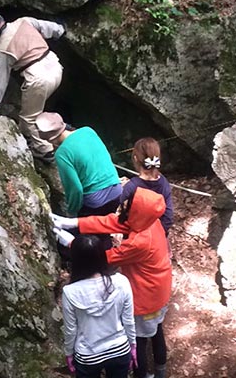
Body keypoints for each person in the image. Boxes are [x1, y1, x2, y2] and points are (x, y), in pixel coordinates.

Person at [55, 187, 172, 378]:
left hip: (146, 296)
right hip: (159, 290)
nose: (122, 209)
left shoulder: (140, 241)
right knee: (157, 331)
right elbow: (112, 222)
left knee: (140, 342)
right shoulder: (149, 221)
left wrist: (72, 244)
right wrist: (73, 222)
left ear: (136, 212)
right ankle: (161, 371)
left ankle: (144, 375)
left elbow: (103, 258)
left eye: (127, 207)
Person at [0, 10, 64, 163]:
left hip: (39, 79)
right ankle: (40, 134)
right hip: (55, 67)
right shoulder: (24, 21)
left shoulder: (2, 50)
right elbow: (48, 27)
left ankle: (44, 150)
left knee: (28, 118)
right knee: (35, 109)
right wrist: (60, 29)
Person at [38, 112, 121, 252]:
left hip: (95, 201)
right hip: (116, 190)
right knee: (103, 229)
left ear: (49, 139)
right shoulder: (88, 131)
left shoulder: (62, 153)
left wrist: (72, 212)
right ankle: (108, 261)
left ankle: (94, 267)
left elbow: (75, 188)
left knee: (88, 239)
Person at [62, 234, 137, 378]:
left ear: (76, 260)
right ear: (102, 256)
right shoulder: (121, 282)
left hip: (88, 355)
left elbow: (71, 330)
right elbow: (128, 320)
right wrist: (132, 346)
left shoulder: (70, 292)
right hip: (119, 349)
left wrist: (69, 354)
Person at [121, 137, 173, 235]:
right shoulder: (164, 182)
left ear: (135, 158)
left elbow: (120, 213)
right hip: (158, 236)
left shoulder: (131, 186)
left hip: (136, 237)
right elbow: (168, 216)